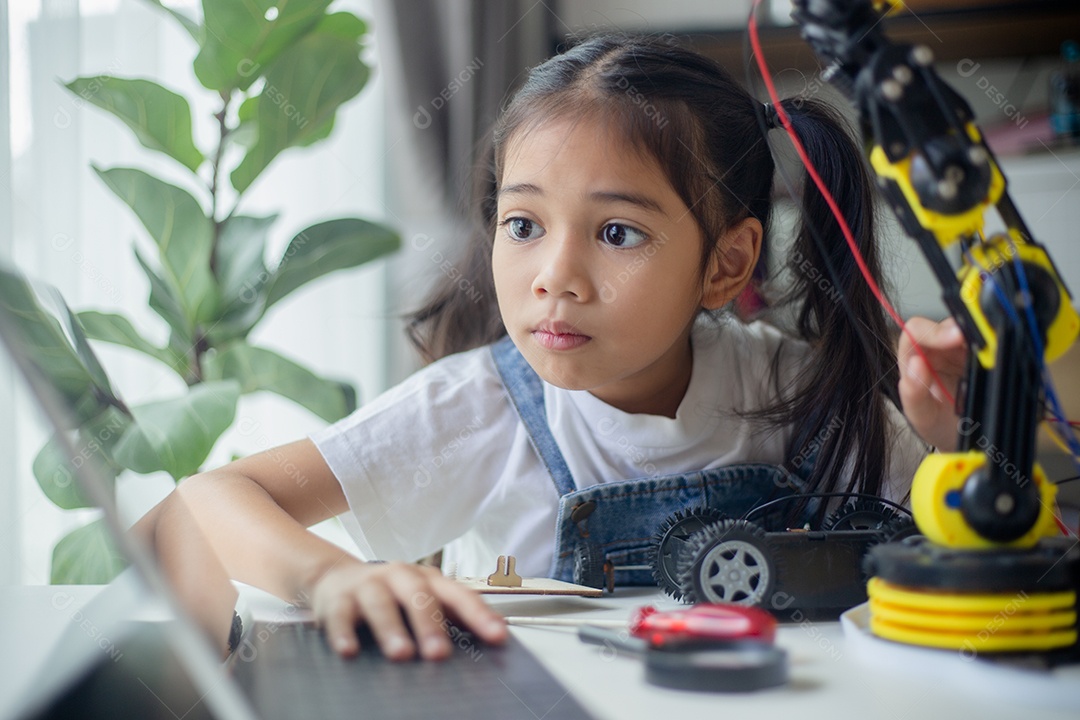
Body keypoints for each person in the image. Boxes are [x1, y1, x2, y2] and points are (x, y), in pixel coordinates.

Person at [136, 34, 967, 662]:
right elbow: (206, 501)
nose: (555, 277)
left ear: (727, 263)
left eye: (616, 232)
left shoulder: (798, 394)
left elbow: (964, 572)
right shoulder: (475, 410)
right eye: (524, 224)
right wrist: (327, 577)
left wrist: (950, 442)